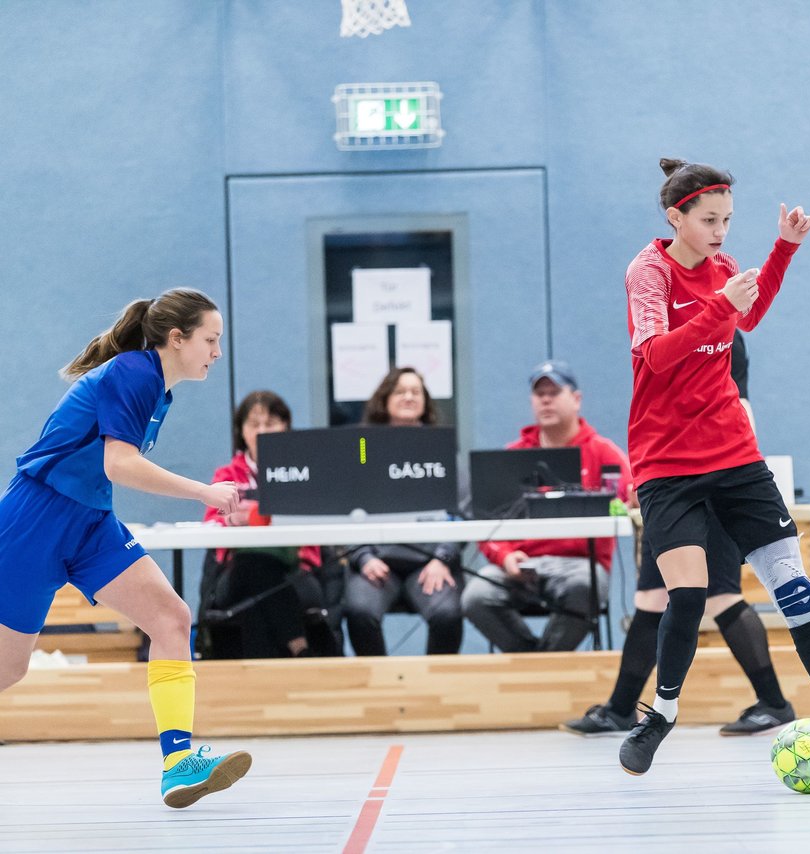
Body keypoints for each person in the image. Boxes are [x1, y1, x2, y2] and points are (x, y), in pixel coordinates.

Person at [616, 159, 810, 788]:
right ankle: (660, 714)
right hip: (667, 464)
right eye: (709, 220)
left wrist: (784, 250)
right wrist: (718, 306)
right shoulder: (649, 272)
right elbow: (656, 357)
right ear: (676, 217)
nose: (721, 232)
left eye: (727, 221)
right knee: (688, 596)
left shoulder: (722, 268)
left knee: (799, 598)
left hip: (735, 457)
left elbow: (750, 315)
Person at [0, 288, 252, 808]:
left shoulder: (158, 390)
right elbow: (121, 464)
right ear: (176, 339)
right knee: (8, 669)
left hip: (90, 522)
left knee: (171, 618)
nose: (217, 352)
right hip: (36, 519)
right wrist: (204, 492)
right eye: (211, 339)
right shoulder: (133, 373)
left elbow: (110, 470)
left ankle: (178, 764)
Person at [561, 331, 797, 736]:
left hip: (714, 476)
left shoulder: (720, 330)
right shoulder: (666, 330)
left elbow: (737, 405)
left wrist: (728, 483)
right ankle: (621, 708)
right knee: (652, 598)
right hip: (670, 483)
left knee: (722, 595)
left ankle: (774, 702)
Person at [462, 360, 631, 652]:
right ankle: (535, 665)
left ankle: (542, 667)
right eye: (540, 394)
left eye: (555, 392)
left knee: (584, 588)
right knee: (475, 596)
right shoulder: (511, 457)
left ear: (576, 400)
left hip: (581, 565)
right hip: (519, 563)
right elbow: (487, 522)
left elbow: (626, 501)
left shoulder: (604, 453)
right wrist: (504, 557)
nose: (546, 399)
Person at [200, 390, 334, 658]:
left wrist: (251, 514)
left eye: (270, 423)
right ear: (242, 431)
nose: (262, 431)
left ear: (285, 427)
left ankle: (262, 684)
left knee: (257, 586)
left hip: (297, 569)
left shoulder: (303, 472)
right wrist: (233, 519)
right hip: (233, 570)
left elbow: (313, 518)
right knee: (253, 567)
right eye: (254, 424)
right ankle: (298, 647)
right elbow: (212, 521)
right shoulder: (227, 475)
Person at [344, 367, 464, 656]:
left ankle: (436, 691)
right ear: (385, 399)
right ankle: (380, 690)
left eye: (415, 392)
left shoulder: (440, 448)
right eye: (400, 391)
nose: (408, 397)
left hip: (430, 563)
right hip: (375, 562)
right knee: (359, 611)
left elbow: (461, 508)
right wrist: (363, 557)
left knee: (448, 614)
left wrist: (442, 558)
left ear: (425, 402)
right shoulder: (363, 447)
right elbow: (345, 503)